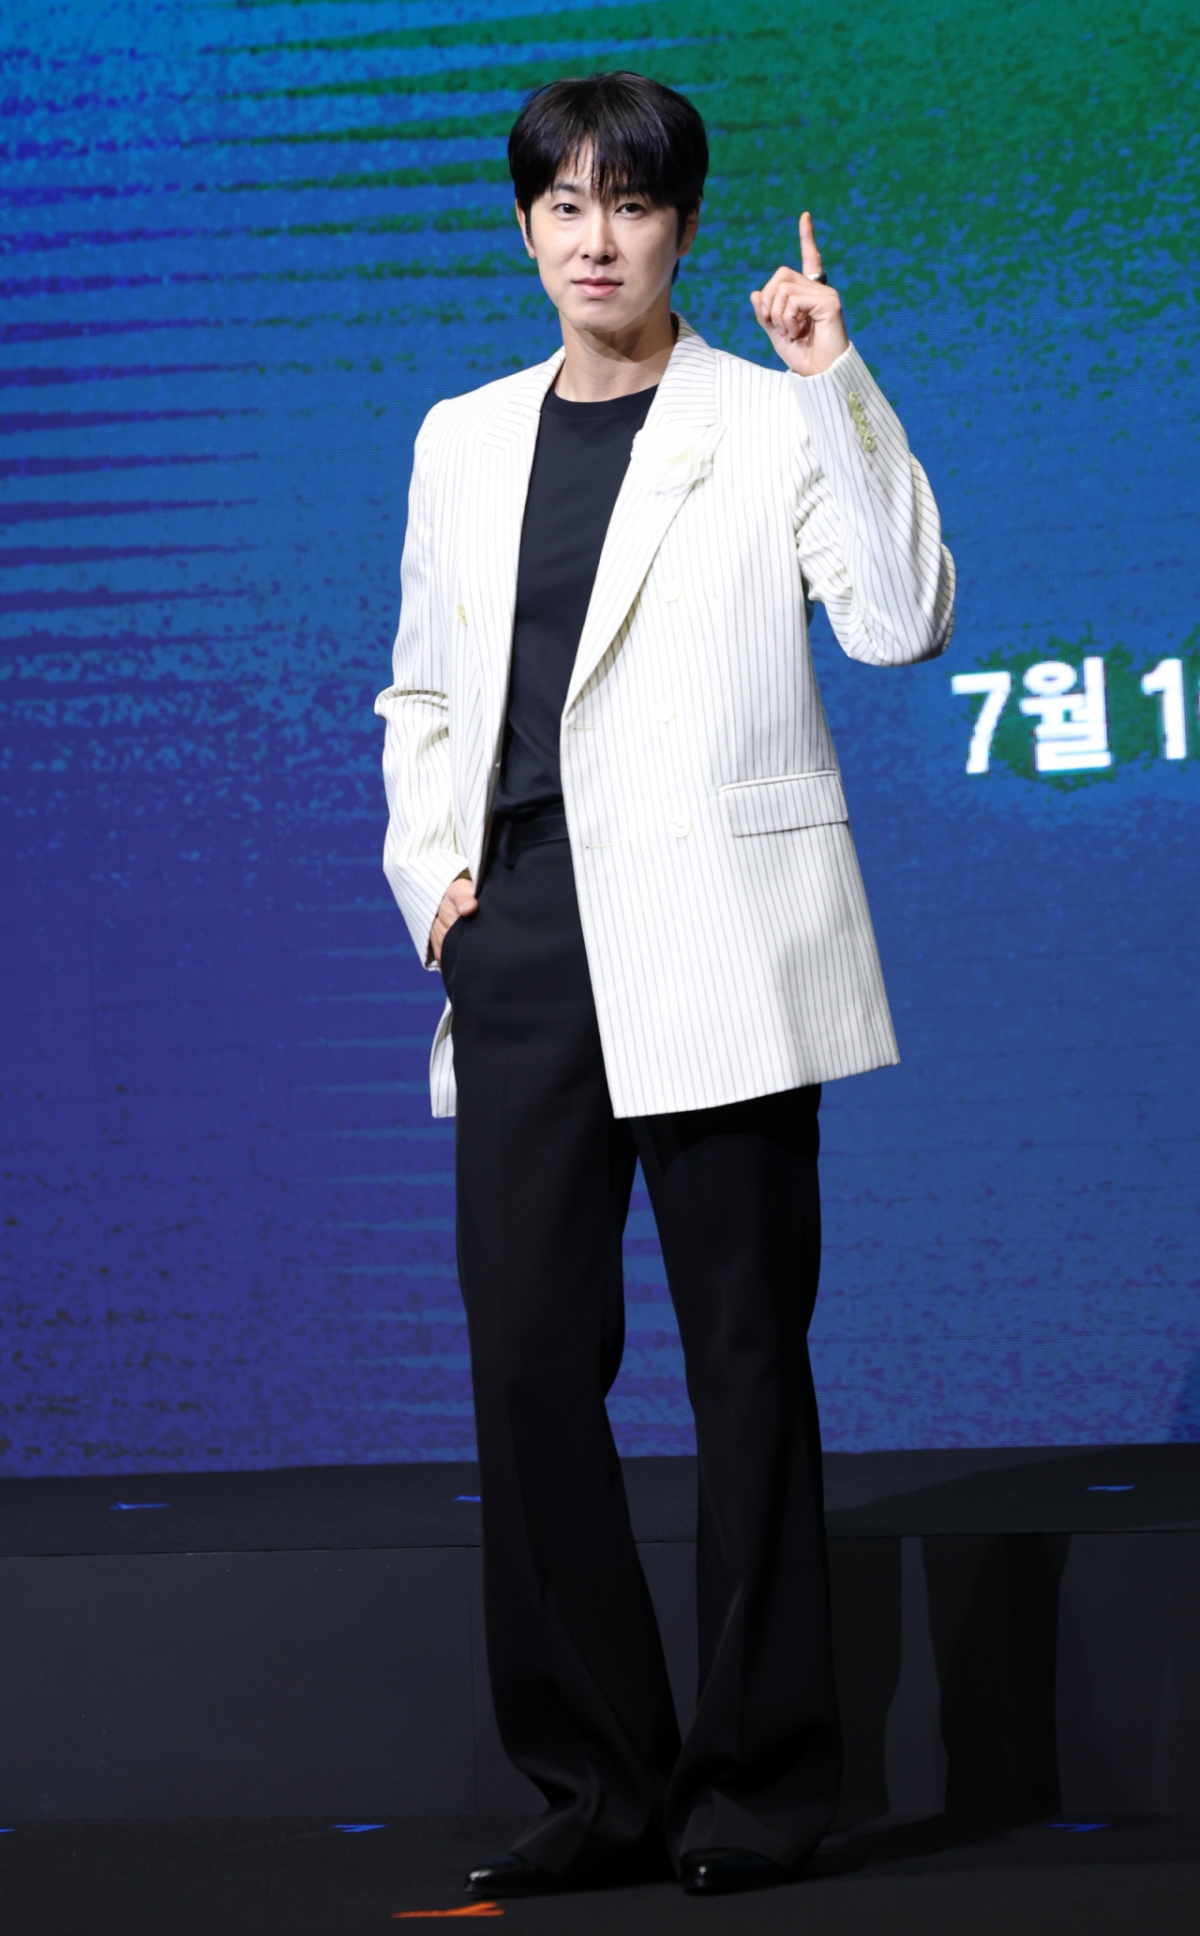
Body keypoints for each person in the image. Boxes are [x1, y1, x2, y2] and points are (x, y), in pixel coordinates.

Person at [375, 71, 954, 1898]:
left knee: (743, 1362)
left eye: (629, 204)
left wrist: (831, 380)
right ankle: (596, 1785)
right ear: (525, 227)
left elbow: (901, 618)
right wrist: (435, 884)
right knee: (529, 1364)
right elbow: (422, 689)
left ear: (684, 228)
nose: (595, 238)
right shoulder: (463, 437)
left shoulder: (767, 419)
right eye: (563, 204)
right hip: (528, 933)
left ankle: (758, 1788)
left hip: (719, 927)